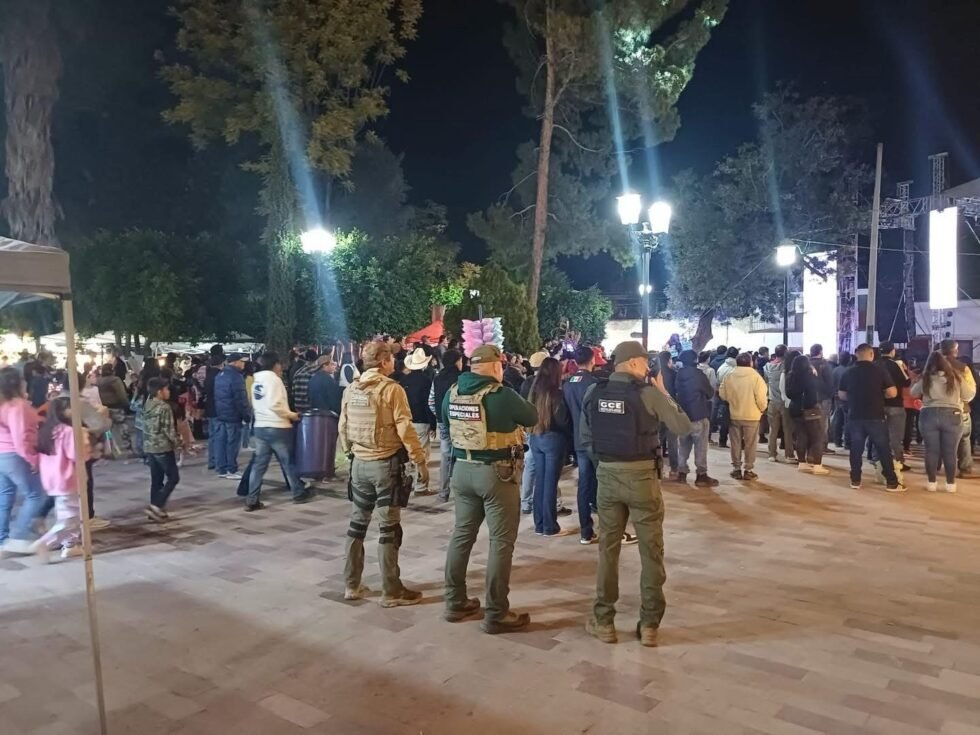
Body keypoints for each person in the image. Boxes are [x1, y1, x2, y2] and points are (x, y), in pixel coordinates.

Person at [581, 341, 692, 647]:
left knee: (608, 550)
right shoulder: (648, 393)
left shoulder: (594, 392)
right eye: (644, 362)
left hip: (607, 476)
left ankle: (604, 620)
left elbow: (586, 438)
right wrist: (663, 391)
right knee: (651, 551)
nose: (647, 368)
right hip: (642, 478)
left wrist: (605, 466)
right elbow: (683, 426)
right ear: (632, 363)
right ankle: (650, 624)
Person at [442, 343, 537, 632]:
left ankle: (454, 601)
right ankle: (496, 612)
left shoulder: (452, 393)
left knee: (462, 535)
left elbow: (445, 421)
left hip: (461, 470)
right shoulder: (501, 394)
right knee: (501, 542)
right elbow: (531, 417)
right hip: (497, 474)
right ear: (495, 366)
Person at [339, 341, 427, 607]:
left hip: (359, 464)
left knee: (357, 525)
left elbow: (343, 425)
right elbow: (404, 428)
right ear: (384, 361)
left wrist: (350, 452)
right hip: (384, 465)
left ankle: (352, 584)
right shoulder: (391, 389)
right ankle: (391, 591)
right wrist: (419, 460)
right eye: (392, 359)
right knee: (389, 529)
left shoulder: (352, 388)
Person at [245, 352, 310, 510]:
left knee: (259, 466)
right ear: (275, 364)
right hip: (277, 426)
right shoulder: (274, 380)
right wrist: (291, 415)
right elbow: (275, 404)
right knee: (288, 462)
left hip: (260, 427)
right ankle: (298, 492)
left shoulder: (256, 381)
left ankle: (252, 499)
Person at [838, 344, 902, 491]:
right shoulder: (880, 370)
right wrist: (880, 395)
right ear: (871, 354)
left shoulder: (848, 372)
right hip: (876, 415)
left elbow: (842, 394)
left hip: (855, 416)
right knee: (883, 449)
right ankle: (891, 482)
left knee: (856, 450)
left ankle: (855, 480)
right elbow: (892, 392)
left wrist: (854, 398)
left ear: (857, 354)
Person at [912, 351, 976, 493]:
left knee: (931, 450)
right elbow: (969, 395)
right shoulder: (956, 377)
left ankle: (931, 483)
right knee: (950, 451)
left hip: (928, 414)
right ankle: (950, 484)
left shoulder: (926, 377)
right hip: (953, 415)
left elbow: (913, 393)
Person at [0, 367, 47, 555]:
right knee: (35, 495)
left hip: (2, 455)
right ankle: (18, 537)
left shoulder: (4, 404)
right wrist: (32, 459)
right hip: (15, 455)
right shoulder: (17, 406)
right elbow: (20, 438)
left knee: (5, 497)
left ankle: (2, 538)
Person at [36, 396, 89, 559]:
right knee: (71, 518)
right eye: (71, 408)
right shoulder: (68, 431)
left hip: (52, 478)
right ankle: (46, 542)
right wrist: (86, 444)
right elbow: (76, 455)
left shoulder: (47, 430)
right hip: (67, 478)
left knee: (67, 514)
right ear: (63, 411)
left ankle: (70, 545)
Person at [528, 357, 573, 537]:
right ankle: (550, 526)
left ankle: (539, 524)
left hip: (536, 437)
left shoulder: (534, 390)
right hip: (554, 439)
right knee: (550, 483)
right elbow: (563, 420)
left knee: (540, 481)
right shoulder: (557, 394)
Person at [719, 352, 769, 480]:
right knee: (750, 444)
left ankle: (736, 468)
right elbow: (761, 398)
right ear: (750, 362)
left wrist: (732, 402)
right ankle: (748, 469)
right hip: (752, 415)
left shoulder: (729, 375)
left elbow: (722, 394)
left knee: (735, 443)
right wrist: (762, 409)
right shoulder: (756, 377)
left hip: (734, 414)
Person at [673, 350, 718, 487]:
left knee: (683, 446)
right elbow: (709, 393)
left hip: (683, 416)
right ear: (695, 360)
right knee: (701, 447)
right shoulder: (699, 374)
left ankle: (681, 473)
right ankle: (701, 475)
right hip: (699, 414)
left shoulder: (678, 374)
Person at [143, 377, 181, 522]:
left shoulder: (148, 404)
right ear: (160, 392)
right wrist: (180, 444)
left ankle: (156, 510)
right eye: (166, 389)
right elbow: (169, 431)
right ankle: (156, 505)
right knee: (173, 477)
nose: (169, 391)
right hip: (162, 447)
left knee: (156, 479)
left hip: (149, 446)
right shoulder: (164, 407)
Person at [784, 354, 829, 474]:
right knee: (817, 437)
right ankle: (817, 465)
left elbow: (788, 394)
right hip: (809, 410)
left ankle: (802, 463)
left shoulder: (790, 376)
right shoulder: (810, 376)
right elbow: (814, 394)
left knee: (801, 436)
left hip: (794, 408)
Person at [938, 339, 977, 478]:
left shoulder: (931, 366)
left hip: (936, 409)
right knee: (964, 438)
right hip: (959, 409)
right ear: (955, 350)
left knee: (937, 439)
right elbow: (971, 391)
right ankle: (964, 469)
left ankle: (935, 466)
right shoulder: (963, 368)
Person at [401, 348, 436, 495]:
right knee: (422, 454)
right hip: (421, 420)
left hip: (406, 421)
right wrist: (433, 424)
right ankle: (421, 486)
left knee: (408, 453)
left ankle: (406, 482)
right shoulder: (426, 381)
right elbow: (429, 403)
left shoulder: (404, 380)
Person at [429, 348, 462, 502]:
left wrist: (439, 415)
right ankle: (461, 493)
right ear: (456, 361)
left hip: (443, 422)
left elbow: (431, 401)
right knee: (462, 455)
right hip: (460, 422)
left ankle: (443, 492)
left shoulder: (437, 378)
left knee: (445, 455)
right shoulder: (461, 378)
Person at [212, 353, 251, 480]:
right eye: (241, 361)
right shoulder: (236, 377)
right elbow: (240, 399)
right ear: (235, 362)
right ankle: (231, 469)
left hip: (221, 414)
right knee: (232, 444)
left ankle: (221, 468)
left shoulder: (219, 375)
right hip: (233, 415)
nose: (243, 364)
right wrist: (246, 416)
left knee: (221, 442)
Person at [308, 355, 343, 481]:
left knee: (319, 445)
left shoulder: (313, 379)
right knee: (329, 446)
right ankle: (328, 473)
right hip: (330, 416)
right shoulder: (328, 380)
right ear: (325, 365)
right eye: (332, 364)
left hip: (317, 416)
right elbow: (334, 400)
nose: (334, 366)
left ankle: (318, 471)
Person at [876, 342, 911, 468]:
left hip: (878, 405)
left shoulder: (875, 364)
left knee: (878, 434)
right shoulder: (896, 365)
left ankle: (878, 460)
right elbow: (907, 382)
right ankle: (897, 462)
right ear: (892, 351)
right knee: (895, 436)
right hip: (895, 404)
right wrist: (905, 369)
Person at [764, 345, 794, 463]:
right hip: (785, 401)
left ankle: (772, 454)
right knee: (788, 429)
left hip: (772, 400)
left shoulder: (767, 366)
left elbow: (766, 381)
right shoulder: (786, 366)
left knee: (773, 429)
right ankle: (789, 455)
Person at [809, 344, 836, 453]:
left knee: (811, 422)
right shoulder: (825, 365)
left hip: (810, 398)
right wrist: (830, 395)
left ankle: (811, 445)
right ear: (820, 351)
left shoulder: (807, 364)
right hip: (823, 398)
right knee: (823, 423)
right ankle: (822, 445)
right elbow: (830, 382)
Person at [656, 351, 680, 479]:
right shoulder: (674, 374)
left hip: (657, 411)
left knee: (657, 440)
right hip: (671, 411)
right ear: (668, 360)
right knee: (673, 441)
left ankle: (657, 469)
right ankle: (674, 469)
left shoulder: (654, 374)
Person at [203, 351, 225, 471]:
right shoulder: (219, 376)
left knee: (212, 436)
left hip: (210, 408)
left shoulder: (208, 375)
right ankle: (218, 461)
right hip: (218, 408)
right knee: (219, 436)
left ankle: (211, 460)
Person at [830, 351, 853, 448]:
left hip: (836, 397)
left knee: (838, 419)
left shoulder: (834, 370)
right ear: (849, 359)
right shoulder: (849, 371)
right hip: (846, 397)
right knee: (847, 420)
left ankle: (837, 440)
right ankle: (847, 442)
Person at [290, 348, 319, 413]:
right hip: (310, 409)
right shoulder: (315, 373)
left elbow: (293, 393)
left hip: (298, 408)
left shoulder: (297, 372)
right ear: (316, 360)